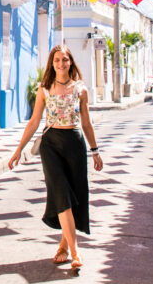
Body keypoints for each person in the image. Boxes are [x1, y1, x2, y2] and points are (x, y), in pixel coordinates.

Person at [8, 45, 102, 271]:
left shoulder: (80, 89)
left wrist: (95, 150)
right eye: (57, 60)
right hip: (51, 145)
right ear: (52, 63)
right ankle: (76, 252)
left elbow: (86, 123)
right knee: (61, 193)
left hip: (75, 143)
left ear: (71, 62)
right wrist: (19, 149)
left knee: (72, 195)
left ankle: (63, 246)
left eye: (65, 59)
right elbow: (33, 122)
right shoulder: (45, 89)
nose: (61, 64)